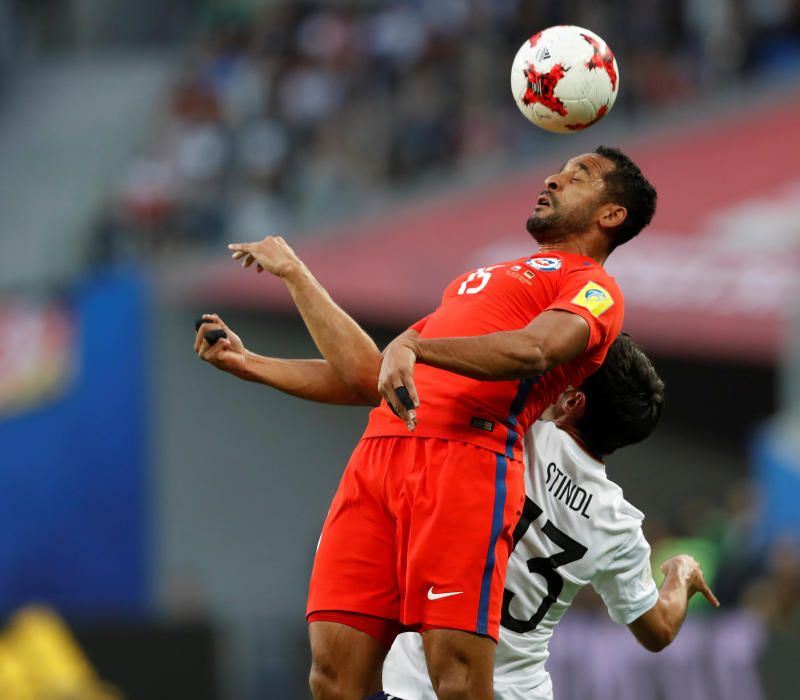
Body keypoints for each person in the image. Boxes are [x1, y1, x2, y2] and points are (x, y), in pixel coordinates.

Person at [201, 146, 657, 700]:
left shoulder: (596, 290)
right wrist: (260, 348)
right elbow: (372, 374)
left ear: (612, 215)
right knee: (332, 677)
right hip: (381, 454)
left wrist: (418, 344)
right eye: (558, 170)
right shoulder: (484, 279)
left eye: (577, 176)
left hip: (465, 460)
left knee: (458, 684)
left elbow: (536, 350)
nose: (552, 179)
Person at [197, 305, 719, 698]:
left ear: (572, 399)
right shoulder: (619, 524)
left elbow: (365, 377)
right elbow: (656, 631)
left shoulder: (514, 431)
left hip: (430, 686)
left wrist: (283, 303)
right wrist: (681, 573)